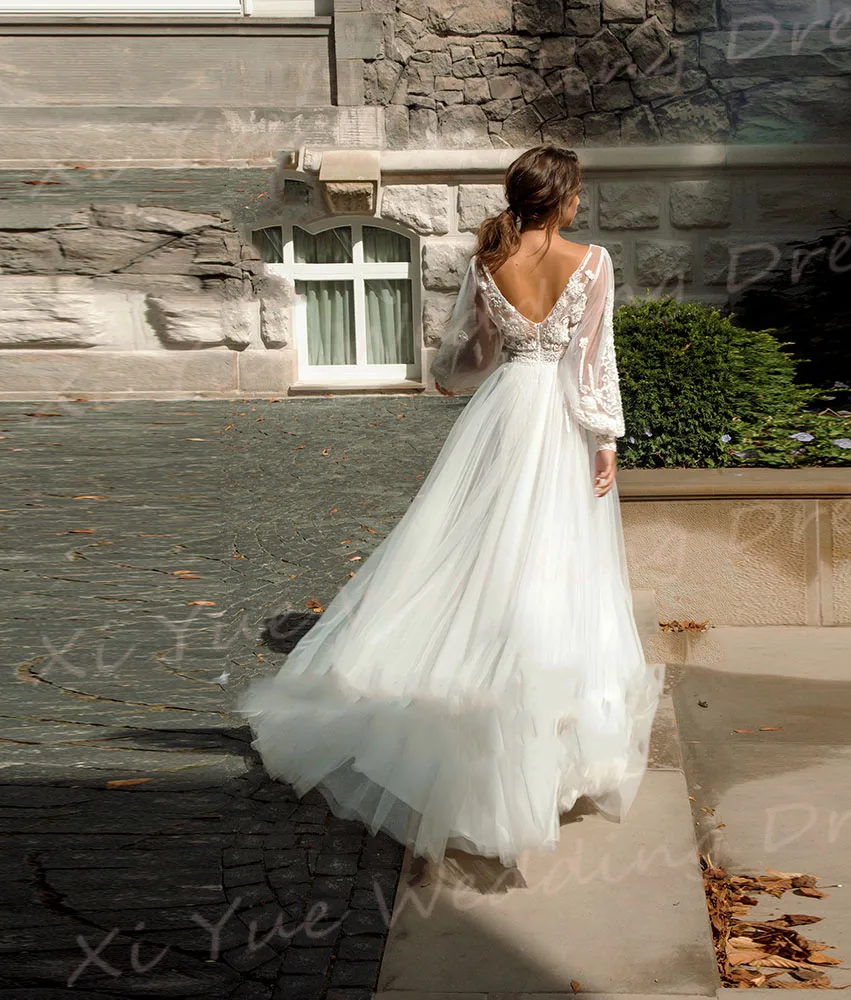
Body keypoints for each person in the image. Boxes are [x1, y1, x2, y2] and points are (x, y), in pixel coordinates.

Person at [235, 144, 663, 869]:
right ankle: (547, 728)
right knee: (554, 559)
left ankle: (475, 679)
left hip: (501, 415)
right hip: (558, 422)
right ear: (562, 198)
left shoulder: (489, 260)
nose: (580, 203)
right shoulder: (591, 262)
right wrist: (605, 440)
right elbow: (595, 361)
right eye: (577, 192)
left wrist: (446, 376)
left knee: (479, 552)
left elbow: (472, 357)